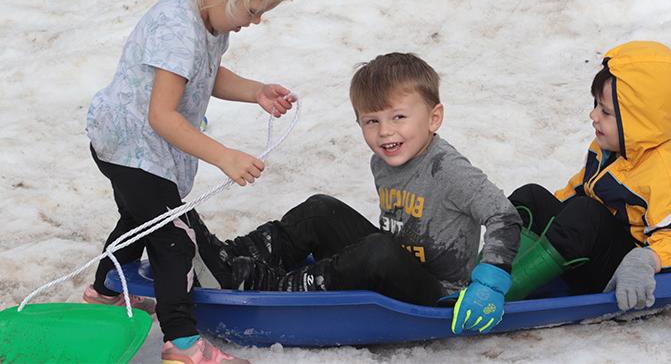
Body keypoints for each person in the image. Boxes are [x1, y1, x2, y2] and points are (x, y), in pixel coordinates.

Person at [83, 0, 303, 363]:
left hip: (132, 142)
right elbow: (162, 115)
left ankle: (105, 290)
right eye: (254, 9)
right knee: (174, 240)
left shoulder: (207, 21)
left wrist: (255, 91)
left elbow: (207, 74)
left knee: (137, 221)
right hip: (134, 147)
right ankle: (182, 343)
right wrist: (224, 156)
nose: (256, 21)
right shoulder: (178, 28)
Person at [191, 52, 521, 334]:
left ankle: (278, 287)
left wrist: (489, 284)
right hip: (392, 267)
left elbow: (503, 215)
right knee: (320, 209)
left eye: (399, 117)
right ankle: (231, 258)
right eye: (371, 121)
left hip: (437, 295)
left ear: (434, 118)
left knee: (378, 249)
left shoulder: (448, 169)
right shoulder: (384, 161)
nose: (385, 131)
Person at [505, 41, 671, 312]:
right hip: (583, 252)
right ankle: (488, 273)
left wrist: (646, 261)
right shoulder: (606, 151)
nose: (593, 115)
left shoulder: (666, 174)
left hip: (621, 275)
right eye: (596, 106)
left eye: (606, 112)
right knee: (529, 197)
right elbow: (574, 194)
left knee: (585, 213)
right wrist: (547, 226)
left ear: (640, 120)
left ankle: (505, 293)